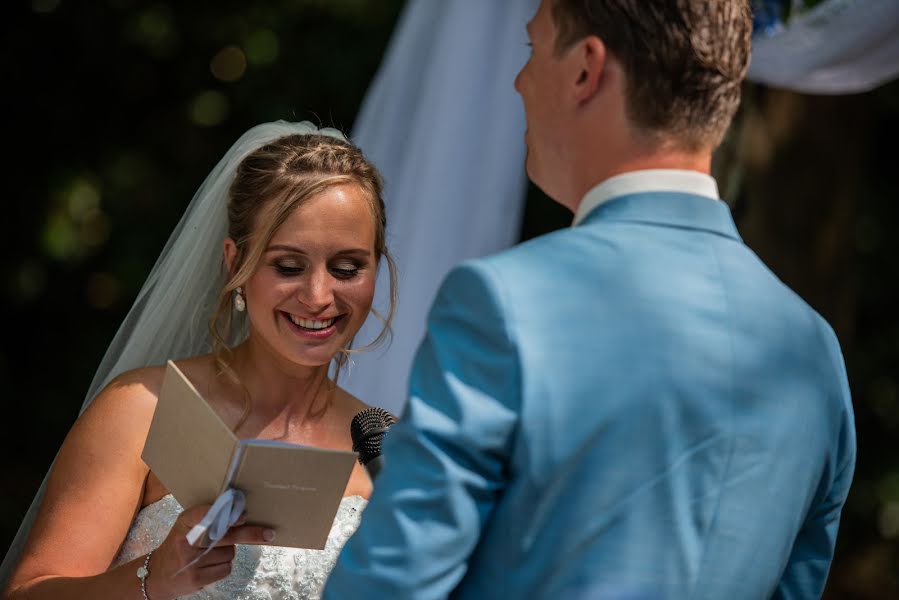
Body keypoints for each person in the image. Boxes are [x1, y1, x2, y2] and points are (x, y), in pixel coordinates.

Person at [324, 1, 856, 598]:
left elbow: (391, 585)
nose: (520, 81)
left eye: (531, 51)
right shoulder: (813, 352)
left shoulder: (506, 303)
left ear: (585, 68)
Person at [1, 120, 397, 600]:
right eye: (288, 266)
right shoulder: (144, 409)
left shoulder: (386, 449)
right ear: (235, 264)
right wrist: (152, 578)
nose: (318, 296)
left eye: (347, 268)